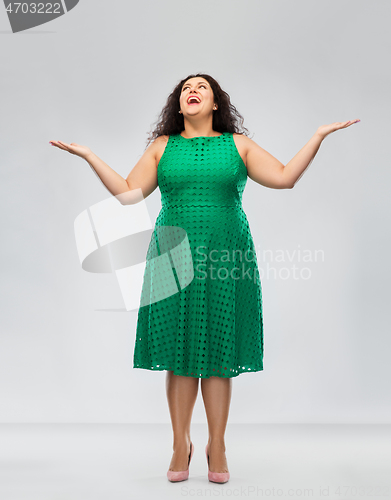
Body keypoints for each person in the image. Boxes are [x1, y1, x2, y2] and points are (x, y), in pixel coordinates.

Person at [49, 73, 360, 483]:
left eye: (202, 87)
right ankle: (181, 443)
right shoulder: (162, 147)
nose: (192, 91)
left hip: (227, 253)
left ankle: (217, 444)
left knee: (218, 350)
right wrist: (90, 156)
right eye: (185, 89)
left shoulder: (238, 145)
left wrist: (318, 136)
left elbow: (284, 178)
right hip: (172, 252)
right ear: (179, 106)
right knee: (179, 351)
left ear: (215, 103)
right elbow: (128, 193)